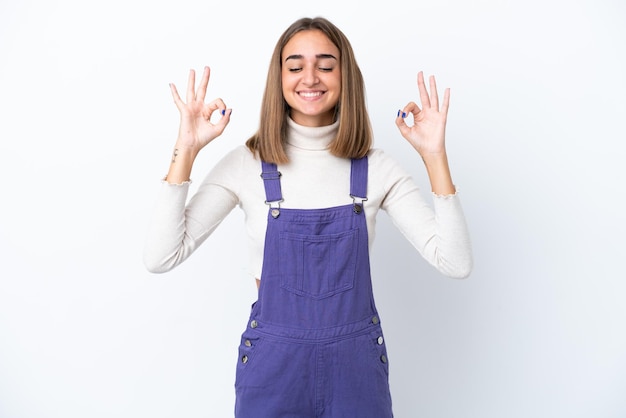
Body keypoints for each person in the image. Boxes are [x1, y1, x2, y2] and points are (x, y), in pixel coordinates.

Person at [144, 16, 472, 418]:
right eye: (296, 66)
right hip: (273, 372)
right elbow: (160, 257)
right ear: (279, 78)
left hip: (356, 374)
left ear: (344, 76)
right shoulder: (246, 165)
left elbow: (455, 263)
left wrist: (434, 156)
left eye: (326, 65)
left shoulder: (376, 169)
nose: (310, 78)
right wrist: (186, 148)